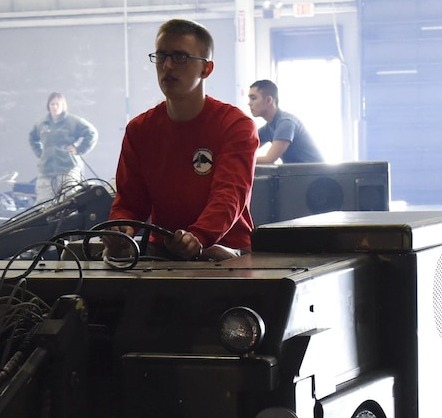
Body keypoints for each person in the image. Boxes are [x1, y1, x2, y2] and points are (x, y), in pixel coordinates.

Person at [108, 20, 259, 260]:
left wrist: (199, 236)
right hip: (164, 254)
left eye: (180, 57)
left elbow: (229, 196)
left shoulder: (235, 126)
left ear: (206, 69)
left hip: (226, 252)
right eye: (161, 56)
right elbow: (129, 202)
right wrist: (119, 228)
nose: (167, 66)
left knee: (217, 254)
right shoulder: (139, 130)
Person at [28, 92, 98, 201]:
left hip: (68, 168)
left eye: (58, 104)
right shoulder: (42, 124)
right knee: (44, 203)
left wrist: (79, 149)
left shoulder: (73, 122)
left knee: (69, 201)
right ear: (48, 106)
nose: (55, 107)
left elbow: (91, 133)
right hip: (47, 169)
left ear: (63, 105)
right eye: (52, 104)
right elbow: (32, 137)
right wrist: (40, 154)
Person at [247, 79, 325, 165]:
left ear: (268, 100)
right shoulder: (268, 128)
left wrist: (240, 161)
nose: (249, 103)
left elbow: (269, 159)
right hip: (299, 175)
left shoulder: (286, 123)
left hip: (315, 176)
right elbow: (246, 147)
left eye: (253, 98)